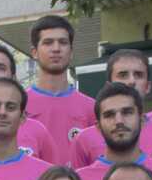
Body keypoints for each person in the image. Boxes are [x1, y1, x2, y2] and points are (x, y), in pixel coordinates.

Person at [21, 14, 99, 166]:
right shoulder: (18, 106)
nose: (56, 49)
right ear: (34, 52)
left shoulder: (92, 108)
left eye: (62, 42)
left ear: (71, 51)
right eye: (48, 43)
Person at [76, 83, 152, 180]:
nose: (119, 121)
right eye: (109, 115)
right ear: (98, 127)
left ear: (142, 120)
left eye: (127, 112)